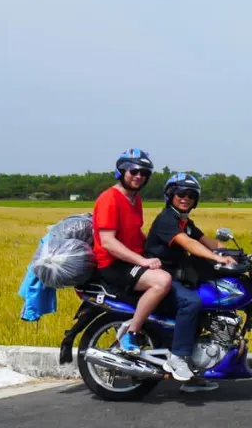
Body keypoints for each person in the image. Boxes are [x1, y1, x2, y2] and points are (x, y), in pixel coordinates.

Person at [145, 172, 237, 386]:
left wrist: (239, 256)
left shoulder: (184, 221)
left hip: (178, 278)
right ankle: (177, 357)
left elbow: (209, 242)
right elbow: (188, 244)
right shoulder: (167, 219)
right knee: (192, 302)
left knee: (207, 303)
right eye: (180, 194)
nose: (185, 198)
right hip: (162, 278)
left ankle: (194, 373)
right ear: (170, 195)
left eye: (190, 195)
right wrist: (216, 259)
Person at [92, 148, 172, 354]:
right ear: (121, 171)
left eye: (144, 173)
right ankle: (131, 333)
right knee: (161, 281)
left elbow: (135, 233)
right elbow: (108, 242)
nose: (139, 176)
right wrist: (142, 261)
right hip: (114, 264)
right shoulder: (109, 199)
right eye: (133, 171)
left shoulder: (135, 199)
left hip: (131, 260)